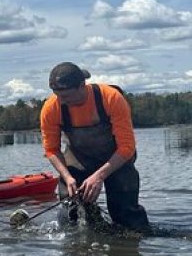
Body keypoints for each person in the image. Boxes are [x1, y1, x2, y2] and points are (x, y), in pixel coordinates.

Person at [40, 62, 150, 233]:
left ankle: (132, 244)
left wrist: (98, 176)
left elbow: (127, 148)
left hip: (117, 158)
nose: (62, 101)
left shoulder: (111, 98)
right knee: (71, 208)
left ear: (82, 86)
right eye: (57, 95)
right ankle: (82, 244)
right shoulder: (51, 108)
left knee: (126, 214)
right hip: (79, 158)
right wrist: (68, 177)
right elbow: (51, 150)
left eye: (67, 96)